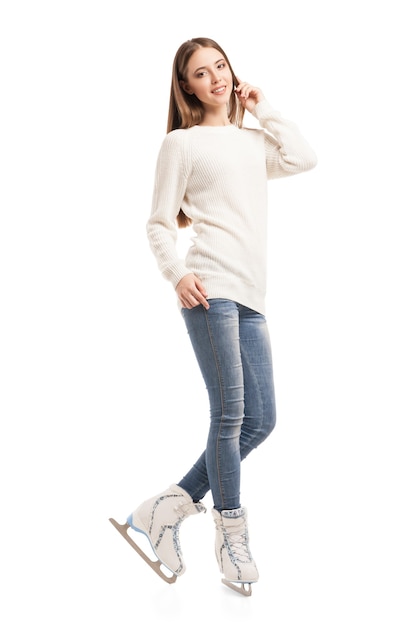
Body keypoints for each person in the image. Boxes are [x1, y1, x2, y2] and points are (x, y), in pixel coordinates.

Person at [110, 37, 317, 596]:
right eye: (202, 73)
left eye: (221, 66)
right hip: (209, 290)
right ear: (187, 87)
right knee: (229, 414)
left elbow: (303, 156)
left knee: (261, 420)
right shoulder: (181, 144)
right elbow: (157, 222)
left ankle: (164, 508)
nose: (217, 79)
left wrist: (264, 104)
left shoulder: (252, 143)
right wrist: (175, 273)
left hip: (252, 296)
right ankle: (231, 536)